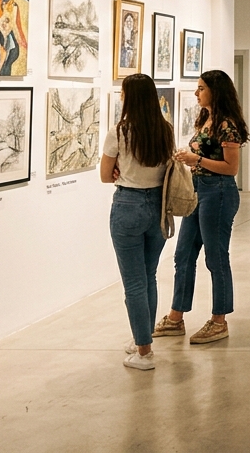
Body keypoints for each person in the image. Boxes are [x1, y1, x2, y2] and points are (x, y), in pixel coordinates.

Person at [153, 69, 249, 344]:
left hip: (218, 193)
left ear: (215, 91)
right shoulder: (206, 118)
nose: (196, 93)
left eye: (201, 88)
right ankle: (175, 316)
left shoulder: (227, 125)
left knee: (216, 258)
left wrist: (196, 160)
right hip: (198, 192)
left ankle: (219, 320)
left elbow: (231, 168)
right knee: (183, 255)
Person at [99, 73, 175, 370]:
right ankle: (142, 338)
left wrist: (119, 169)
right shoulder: (165, 130)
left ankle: (143, 352)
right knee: (148, 276)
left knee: (133, 282)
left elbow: (106, 176)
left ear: (129, 98)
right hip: (158, 207)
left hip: (128, 206)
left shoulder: (120, 132)